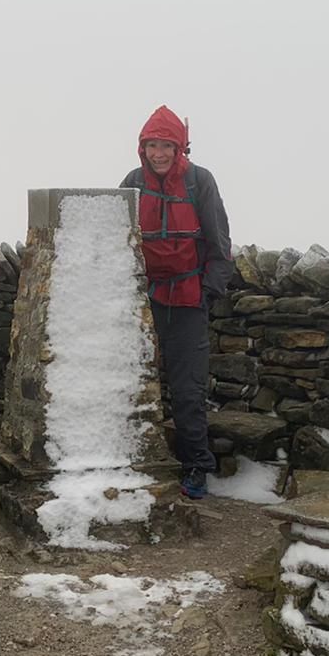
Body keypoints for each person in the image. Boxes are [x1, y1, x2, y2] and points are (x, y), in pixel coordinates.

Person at [120, 105, 232, 499]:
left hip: (187, 302)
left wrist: (206, 294)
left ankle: (197, 468)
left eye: (166, 145)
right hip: (143, 302)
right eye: (152, 145)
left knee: (188, 391)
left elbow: (220, 245)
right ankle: (127, 460)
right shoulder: (132, 183)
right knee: (128, 383)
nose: (159, 153)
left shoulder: (200, 182)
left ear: (179, 147)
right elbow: (115, 238)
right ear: (142, 148)